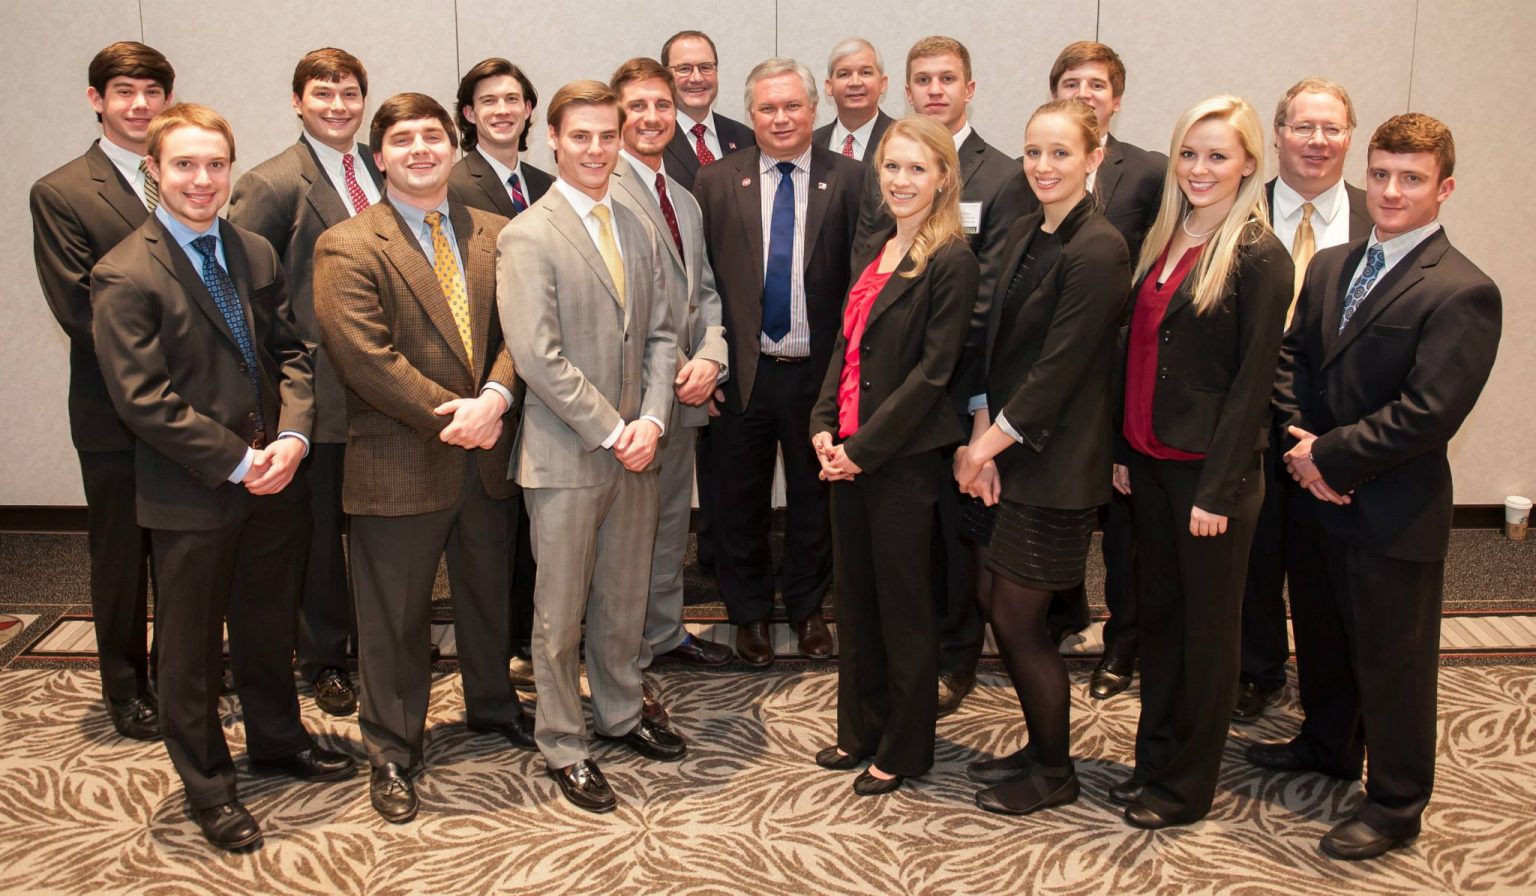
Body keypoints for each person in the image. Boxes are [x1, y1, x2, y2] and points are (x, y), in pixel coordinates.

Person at [91, 103, 355, 850]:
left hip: (277, 478)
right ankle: (209, 785)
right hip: (194, 490)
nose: (202, 179)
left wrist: (294, 435)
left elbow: (291, 352)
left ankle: (278, 741)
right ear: (154, 170)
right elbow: (144, 401)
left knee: (269, 625)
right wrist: (240, 461)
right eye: (185, 164)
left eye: (215, 164)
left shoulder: (253, 251)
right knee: (191, 653)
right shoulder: (123, 272)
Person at [1253, 113, 1501, 860]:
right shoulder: (1332, 264)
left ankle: (1396, 801)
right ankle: (1327, 744)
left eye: (1412, 179)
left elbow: (1428, 413)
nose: (1392, 191)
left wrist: (1329, 458)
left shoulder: (1463, 290)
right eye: (1383, 174)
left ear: (1444, 188)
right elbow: (1292, 360)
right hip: (1316, 496)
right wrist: (1301, 447)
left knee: (1394, 663)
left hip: (1392, 509)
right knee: (1323, 635)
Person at [313, 93, 532, 825]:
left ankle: (493, 706)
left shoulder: (498, 233)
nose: (420, 150)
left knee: (488, 597)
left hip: (488, 454)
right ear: (379, 156)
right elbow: (364, 359)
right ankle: (392, 747)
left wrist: (494, 399)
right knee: (394, 619)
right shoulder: (347, 243)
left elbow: (523, 330)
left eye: (432, 136)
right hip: (399, 458)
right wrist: (460, 416)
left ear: (453, 146)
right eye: (402, 139)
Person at [499, 81, 683, 814]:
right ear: (553, 139)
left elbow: (664, 335)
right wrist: (613, 429)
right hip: (568, 456)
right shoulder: (528, 235)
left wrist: (654, 422)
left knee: (622, 600)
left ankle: (620, 712)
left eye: (608, 135)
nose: (597, 150)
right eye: (581, 136)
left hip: (638, 450)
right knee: (560, 612)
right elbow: (537, 358)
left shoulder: (636, 225)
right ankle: (563, 742)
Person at [1109, 95, 1291, 829]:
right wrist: (1124, 451)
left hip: (1210, 479)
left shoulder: (1259, 255)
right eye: (1189, 153)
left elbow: (1253, 388)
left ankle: (1186, 789)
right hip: (1151, 464)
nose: (1200, 168)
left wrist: (1219, 489)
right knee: (1161, 623)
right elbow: (1135, 355)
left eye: (1218, 155)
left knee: (1207, 638)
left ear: (1248, 164)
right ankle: (1152, 763)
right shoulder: (1166, 236)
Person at [953, 99, 1131, 814]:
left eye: (1061, 153)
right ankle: (1037, 748)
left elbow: (1059, 370)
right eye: (1033, 152)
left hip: (1055, 465)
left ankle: (1056, 771)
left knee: (1021, 621)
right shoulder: (1031, 227)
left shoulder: (1100, 248)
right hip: (1008, 451)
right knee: (994, 601)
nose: (1043, 166)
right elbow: (997, 345)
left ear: (1094, 158)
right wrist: (983, 435)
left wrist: (981, 449)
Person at [852, 35, 1030, 716]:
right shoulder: (886, 166)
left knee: (957, 544)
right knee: (902, 555)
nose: (934, 90)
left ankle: (956, 658)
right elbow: (868, 274)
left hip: (962, 389)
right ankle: (903, 668)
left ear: (969, 88)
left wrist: (969, 399)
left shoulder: (1004, 174)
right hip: (895, 394)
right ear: (907, 90)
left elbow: (995, 292)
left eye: (947, 78)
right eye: (922, 79)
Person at [810, 115, 976, 795]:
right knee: (856, 604)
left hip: (902, 463)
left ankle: (904, 748)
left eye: (917, 168)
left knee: (904, 610)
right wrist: (823, 425)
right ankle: (860, 730)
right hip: (848, 455)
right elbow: (848, 347)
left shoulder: (952, 259)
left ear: (943, 179)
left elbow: (933, 376)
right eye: (892, 167)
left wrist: (862, 450)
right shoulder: (880, 246)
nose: (902, 180)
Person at [693, 58, 864, 667]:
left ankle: (807, 608)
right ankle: (748, 614)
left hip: (818, 376)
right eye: (767, 108)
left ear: (814, 109)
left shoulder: (851, 178)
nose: (781, 118)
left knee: (815, 499)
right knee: (738, 499)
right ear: (751, 114)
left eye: (792, 106)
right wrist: (708, 361)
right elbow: (700, 281)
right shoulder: (717, 180)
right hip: (744, 372)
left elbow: (862, 281)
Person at [227, 47, 382, 718]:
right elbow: (242, 295)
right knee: (318, 538)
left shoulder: (383, 165)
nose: (338, 106)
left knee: (379, 527)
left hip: (387, 387)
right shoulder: (270, 184)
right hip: (317, 392)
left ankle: (378, 643)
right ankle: (325, 659)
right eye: (323, 93)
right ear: (297, 102)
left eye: (350, 93)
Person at [29, 41, 175, 741]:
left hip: (195, 415)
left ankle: (179, 672)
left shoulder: (186, 175)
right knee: (121, 555)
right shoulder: (61, 192)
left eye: (152, 92)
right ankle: (126, 686)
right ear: (97, 99)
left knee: (184, 550)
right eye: (124, 91)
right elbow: (81, 311)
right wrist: (174, 376)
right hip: (115, 411)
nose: (139, 105)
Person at [1234, 77, 1372, 723]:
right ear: (1278, 134)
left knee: (1329, 565)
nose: (1317, 141)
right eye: (1303, 127)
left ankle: (1331, 685)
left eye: (1331, 129)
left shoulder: (1381, 216)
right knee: (1253, 556)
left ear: (1349, 137)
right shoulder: (1238, 210)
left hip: (1339, 426)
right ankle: (1255, 669)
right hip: (1249, 418)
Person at [1037, 41, 1166, 698]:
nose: (1083, 93)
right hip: (1050, 372)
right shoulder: (1034, 168)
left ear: (1116, 98)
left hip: (1119, 370)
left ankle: (1124, 645)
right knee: (1051, 497)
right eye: (1071, 82)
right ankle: (1062, 614)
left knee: (1122, 521)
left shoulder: (1149, 172)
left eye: (1096, 84)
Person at [609, 58, 736, 698]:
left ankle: (662, 633)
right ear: (616, 114)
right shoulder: (604, 190)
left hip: (686, 392)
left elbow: (703, 290)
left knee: (667, 528)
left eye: (662, 105)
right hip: (632, 402)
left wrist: (711, 356)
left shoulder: (684, 198)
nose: (653, 117)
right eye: (638, 106)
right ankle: (621, 655)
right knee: (627, 535)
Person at [446, 56, 554, 690]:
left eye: (513, 99)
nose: (502, 110)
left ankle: (535, 635)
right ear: (468, 113)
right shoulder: (453, 182)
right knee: (497, 523)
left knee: (537, 517)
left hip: (549, 374)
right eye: (488, 101)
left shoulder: (547, 182)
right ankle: (504, 645)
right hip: (491, 371)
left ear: (529, 109)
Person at [661, 30, 755, 190]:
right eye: (684, 69)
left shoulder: (746, 138)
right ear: (665, 76)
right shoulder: (655, 139)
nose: (697, 78)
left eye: (705, 67)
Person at [811, 37, 894, 162]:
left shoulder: (904, 139)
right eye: (844, 74)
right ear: (829, 86)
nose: (855, 83)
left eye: (865, 73)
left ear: (882, 84)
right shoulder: (810, 144)